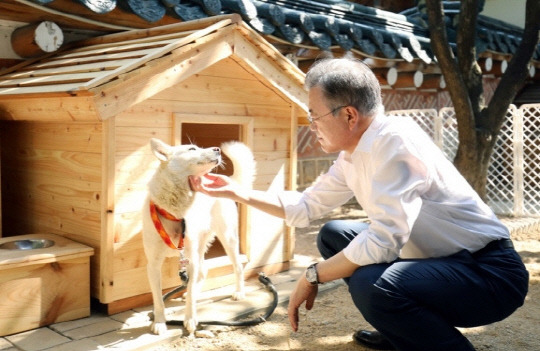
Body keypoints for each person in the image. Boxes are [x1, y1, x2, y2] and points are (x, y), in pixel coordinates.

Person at [189, 58, 529, 351]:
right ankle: (402, 331)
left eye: (314, 115)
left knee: (374, 285)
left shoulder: (394, 144)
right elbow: (305, 206)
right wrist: (235, 192)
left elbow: (383, 241)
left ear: (349, 115)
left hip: (488, 275)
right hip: (439, 260)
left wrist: (312, 275)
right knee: (335, 234)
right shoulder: (353, 153)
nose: (312, 126)